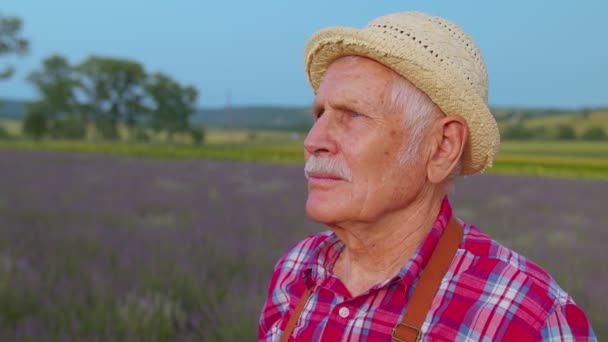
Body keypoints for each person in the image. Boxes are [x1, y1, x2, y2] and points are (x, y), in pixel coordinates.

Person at [259, 11, 596, 341]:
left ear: (442, 148)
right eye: (320, 113)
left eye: (352, 115)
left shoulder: (527, 318)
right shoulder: (297, 270)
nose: (313, 141)